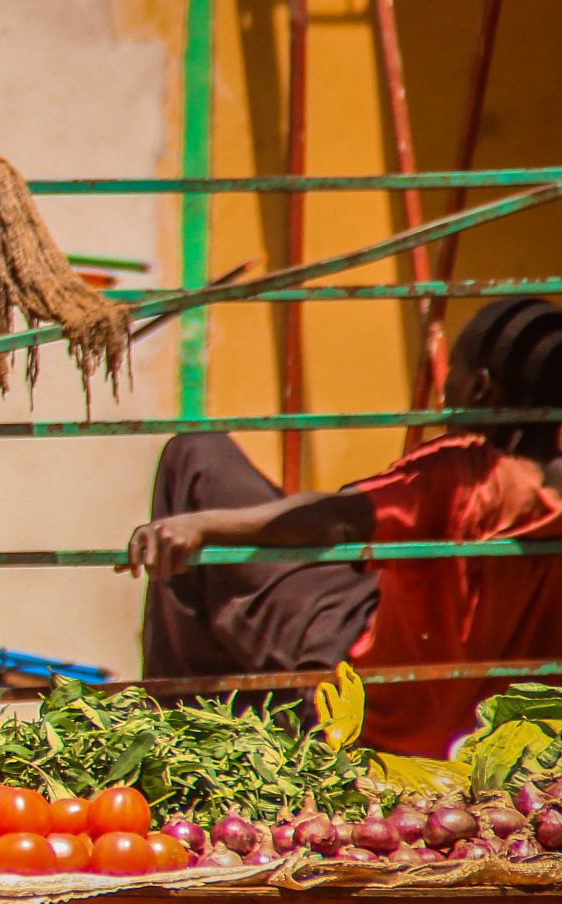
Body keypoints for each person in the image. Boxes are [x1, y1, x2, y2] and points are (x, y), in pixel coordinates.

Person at [127, 295, 562, 755]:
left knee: (195, 457)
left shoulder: (464, 477)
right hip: (492, 726)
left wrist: (203, 526)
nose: (442, 387)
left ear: (481, 389)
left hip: (369, 704)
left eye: (452, 369)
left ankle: (174, 734)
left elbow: (334, 521)